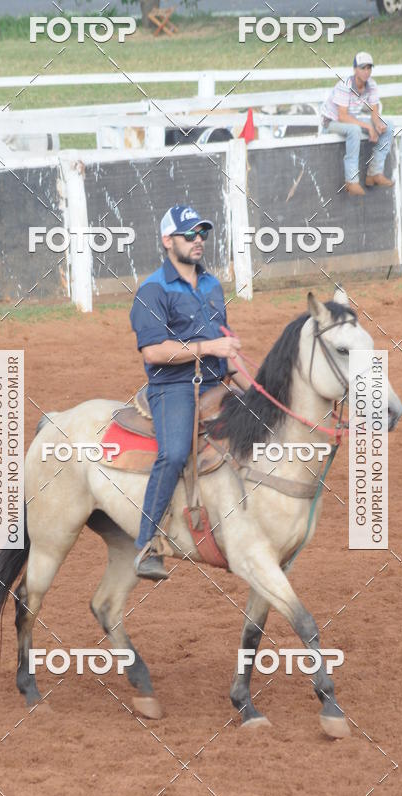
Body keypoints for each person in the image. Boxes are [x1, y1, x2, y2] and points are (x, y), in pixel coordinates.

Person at [129, 205, 249, 580]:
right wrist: (207, 349)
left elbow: (224, 342)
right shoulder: (152, 289)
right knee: (175, 451)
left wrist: (256, 388)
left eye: (202, 234)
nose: (199, 241)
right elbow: (153, 352)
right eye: (189, 234)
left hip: (218, 380)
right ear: (168, 241)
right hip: (173, 385)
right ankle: (148, 544)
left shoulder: (212, 285)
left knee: (261, 425)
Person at [320, 52, 394, 197]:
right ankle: (351, 181)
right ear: (355, 69)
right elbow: (342, 116)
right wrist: (368, 126)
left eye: (369, 68)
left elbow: (374, 108)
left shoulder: (371, 84)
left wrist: (377, 124)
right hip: (331, 121)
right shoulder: (344, 85)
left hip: (349, 119)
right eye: (362, 68)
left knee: (389, 126)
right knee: (354, 130)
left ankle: (375, 173)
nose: (366, 72)